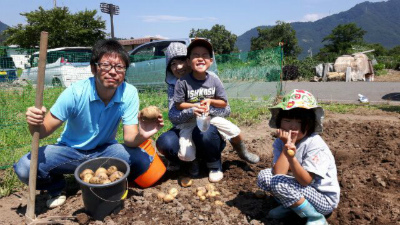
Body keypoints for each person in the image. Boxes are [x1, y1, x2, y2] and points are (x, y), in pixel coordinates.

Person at [13, 39, 163, 209]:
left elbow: (129, 139)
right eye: (106, 65)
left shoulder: (129, 93)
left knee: (141, 159)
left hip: (105, 149)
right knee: (25, 167)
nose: (113, 72)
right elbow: (42, 130)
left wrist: (142, 134)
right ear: (93, 68)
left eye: (119, 67)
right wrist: (34, 123)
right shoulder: (75, 93)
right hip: (69, 151)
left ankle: (111, 183)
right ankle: (57, 188)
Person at [257, 89, 340, 224]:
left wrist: (291, 157)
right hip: (301, 190)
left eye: (300, 122)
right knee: (265, 176)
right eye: (287, 120)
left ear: (310, 123)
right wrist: (286, 147)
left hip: (323, 199)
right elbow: (279, 173)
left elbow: (305, 181)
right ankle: (292, 208)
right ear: (279, 122)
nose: (293, 126)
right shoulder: (280, 141)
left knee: (279, 184)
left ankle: (315, 217)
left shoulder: (314, 143)